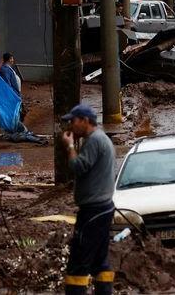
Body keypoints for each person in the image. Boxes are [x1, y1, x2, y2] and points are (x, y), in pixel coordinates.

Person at [60, 104, 116, 295]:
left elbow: (78, 166)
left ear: (84, 121)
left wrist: (69, 146)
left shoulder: (94, 140)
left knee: (79, 258)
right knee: (100, 259)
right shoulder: (101, 140)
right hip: (103, 207)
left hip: (94, 209)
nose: (71, 126)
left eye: (73, 121)